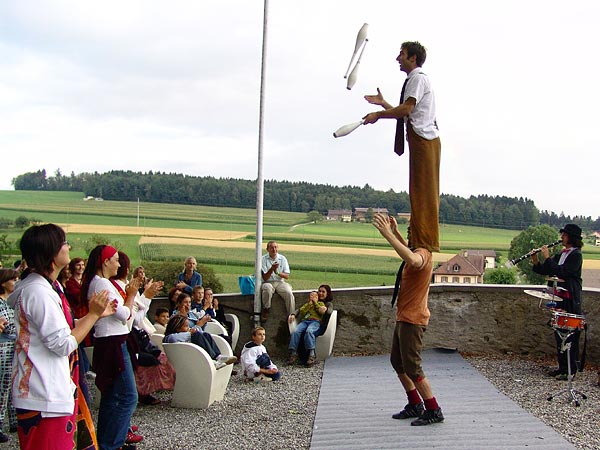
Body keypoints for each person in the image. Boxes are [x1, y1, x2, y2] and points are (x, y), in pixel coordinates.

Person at [9, 224, 115, 449]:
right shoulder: (38, 293)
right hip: (43, 395)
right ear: (51, 252)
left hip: (48, 393)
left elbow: (60, 330)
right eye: (64, 242)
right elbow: (62, 343)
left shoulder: (49, 287)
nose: (68, 247)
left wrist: (94, 317)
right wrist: (93, 314)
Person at [363, 41, 441, 253]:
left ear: (413, 58)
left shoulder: (417, 78)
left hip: (423, 141)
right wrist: (383, 104)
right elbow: (407, 112)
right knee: (418, 192)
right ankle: (418, 240)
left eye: (402, 54)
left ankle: (423, 243)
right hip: (421, 140)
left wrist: (378, 115)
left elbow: (407, 108)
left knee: (423, 192)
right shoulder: (416, 79)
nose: (398, 58)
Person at [372, 213, 444, 426]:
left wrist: (387, 234)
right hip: (405, 317)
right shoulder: (418, 251)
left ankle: (433, 408)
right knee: (397, 362)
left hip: (413, 320)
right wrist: (395, 233)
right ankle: (415, 404)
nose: (408, 233)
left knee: (413, 367)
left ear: (421, 234)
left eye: (411, 231)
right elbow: (410, 254)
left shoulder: (423, 254)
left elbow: (413, 258)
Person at [80, 245, 142, 449]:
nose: (118, 264)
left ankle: (106, 442)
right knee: (127, 396)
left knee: (111, 394)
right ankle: (112, 444)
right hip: (113, 342)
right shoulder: (102, 285)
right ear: (105, 262)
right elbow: (124, 314)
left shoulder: (98, 283)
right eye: (115, 259)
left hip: (109, 341)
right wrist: (131, 295)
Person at [531, 224, 584, 380]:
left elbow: (561, 272)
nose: (562, 237)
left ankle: (571, 370)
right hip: (558, 297)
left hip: (570, 299)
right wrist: (536, 260)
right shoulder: (562, 254)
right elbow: (548, 270)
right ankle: (562, 367)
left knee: (570, 335)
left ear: (571, 238)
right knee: (559, 333)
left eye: (564, 235)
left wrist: (547, 256)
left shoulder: (576, 255)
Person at [163, 315, 236, 369]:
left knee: (205, 334)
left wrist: (200, 326)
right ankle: (213, 360)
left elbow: (199, 333)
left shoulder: (182, 335)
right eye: (186, 326)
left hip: (194, 355)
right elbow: (173, 338)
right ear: (178, 328)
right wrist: (191, 333)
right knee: (196, 335)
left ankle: (218, 357)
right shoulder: (170, 337)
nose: (188, 328)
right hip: (189, 359)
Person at [0, 268, 19, 443]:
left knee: (12, 383)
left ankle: (14, 420)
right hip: (3, 348)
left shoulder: (11, 302)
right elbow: (10, 327)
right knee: (2, 387)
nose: (16, 282)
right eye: (12, 279)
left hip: (12, 347)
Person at [287, 291, 326, 367]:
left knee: (309, 331)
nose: (313, 297)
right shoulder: (306, 305)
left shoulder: (320, 304)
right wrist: (308, 306)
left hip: (315, 321)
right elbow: (302, 312)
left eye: (315, 296)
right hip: (305, 321)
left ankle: (311, 354)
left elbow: (321, 312)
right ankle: (293, 353)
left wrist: (315, 303)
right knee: (295, 331)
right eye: (311, 296)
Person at [260, 241, 295, 322]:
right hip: (268, 282)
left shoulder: (282, 259)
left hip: (279, 282)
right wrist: (271, 269)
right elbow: (265, 277)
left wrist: (277, 272)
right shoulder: (263, 259)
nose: (274, 249)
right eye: (271, 247)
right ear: (267, 249)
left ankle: (291, 314)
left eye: (275, 247)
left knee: (288, 292)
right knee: (267, 289)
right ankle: (266, 309)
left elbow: (286, 276)